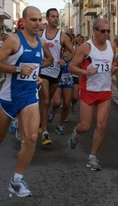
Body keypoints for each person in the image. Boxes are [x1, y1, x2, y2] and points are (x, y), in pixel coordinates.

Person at [0, 6, 53, 197]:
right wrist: (19, 69)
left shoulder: (40, 42)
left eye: (40, 20)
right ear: (24, 22)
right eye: (34, 20)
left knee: (31, 138)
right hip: (9, 97)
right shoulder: (14, 40)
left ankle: (17, 180)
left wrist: (35, 74)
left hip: (29, 95)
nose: (38, 24)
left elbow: (40, 63)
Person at [68, 18, 115, 171]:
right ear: (94, 31)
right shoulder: (85, 47)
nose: (106, 34)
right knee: (86, 126)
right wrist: (86, 72)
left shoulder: (111, 45)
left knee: (102, 125)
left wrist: (113, 68)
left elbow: (111, 63)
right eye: (103, 31)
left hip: (105, 90)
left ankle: (92, 157)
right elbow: (72, 67)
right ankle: (76, 132)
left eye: (108, 31)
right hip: (88, 90)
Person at [38, 8, 75, 145]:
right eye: (53, 16)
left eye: (57, 16)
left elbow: (72, 52)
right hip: (44, 72)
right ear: (47, 18)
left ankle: (40, 121)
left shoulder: (62, 36)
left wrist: (64, 60)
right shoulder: (41, 34)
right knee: (46, 100)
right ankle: (45, 133)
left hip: (56, 72)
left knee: (47, 101)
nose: (56, 19)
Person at [48, 33, 74, 135]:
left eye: (70, 40)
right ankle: (52, 111)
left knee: (67, 104)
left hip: (68, 80)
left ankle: (60, 125)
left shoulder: (74, 52)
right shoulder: (57, 50)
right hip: (57, 79)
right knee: (57, 102)